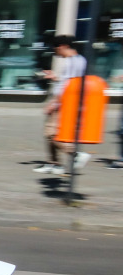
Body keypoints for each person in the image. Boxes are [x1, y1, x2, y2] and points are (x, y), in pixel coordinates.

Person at [35, 35, 87, 174]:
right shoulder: (78, 60)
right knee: (49, 133)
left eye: (55, 49)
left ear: (62, 46)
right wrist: (55, 77)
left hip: (63, 101)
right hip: (63, 100)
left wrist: (55, 103)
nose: (55, 52)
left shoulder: (73, 62)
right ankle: (54, 163)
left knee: (52, 133)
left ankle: (75, 154)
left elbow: (70, 86)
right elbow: (67, 81)